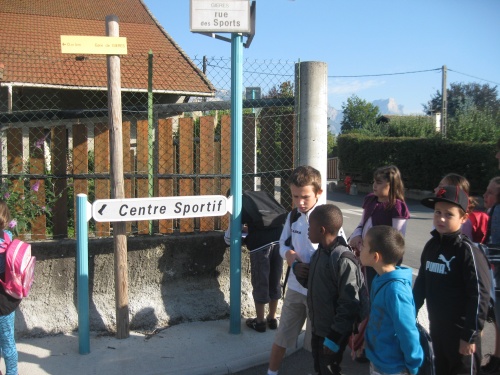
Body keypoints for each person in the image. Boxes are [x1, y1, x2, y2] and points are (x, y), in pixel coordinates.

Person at [414, 185, 491, 375]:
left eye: (449, 214)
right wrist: (409, 316)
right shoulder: (431, 246)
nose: (440, 218)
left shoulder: (467, 251)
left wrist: (470, 336)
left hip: (462, 337)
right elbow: (421, 286)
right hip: (438, 331)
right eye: (437, 212)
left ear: (463, 218)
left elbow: (480, 295)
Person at [266, 165, 324, 375]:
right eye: (295, 196)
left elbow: (339, 253)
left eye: (305, 197)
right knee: (282, 337)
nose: (300, 202)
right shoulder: (292, 216)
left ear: (319, 193)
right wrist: (289, 256)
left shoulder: (327, 218)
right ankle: (271, 372)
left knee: (316, 344)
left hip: (318, 293)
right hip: (295, 289)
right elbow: (282, 244)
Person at [306, 204, 363, 375]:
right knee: (320, 367)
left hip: (332, 333)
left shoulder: (342, 259)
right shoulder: (319, 253)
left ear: (322, 230)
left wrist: (334, 337)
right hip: (319, 328)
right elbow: (320, 287)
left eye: (310, 227)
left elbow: (350, 303)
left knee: (329, 369)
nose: (307, 230)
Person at [360, 225, 423, 375]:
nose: (359, 248)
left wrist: (413, 366)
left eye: (363, 245)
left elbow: (407, 331)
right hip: (378, 359)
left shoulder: (396, 291)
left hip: (392, 367)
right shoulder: (379, 278)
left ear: (375, 256)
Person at [224, 191, 284, 332]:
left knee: (260, 281)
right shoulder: (259, 197)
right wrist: (249, 228)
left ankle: (260, 321)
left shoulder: (236, 204)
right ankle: (272, 317)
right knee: (275, 280)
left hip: (261, 246)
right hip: (279, 240)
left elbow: (228, 238)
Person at [348, 165, 410, 290]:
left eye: (379, 182)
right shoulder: (371, 200)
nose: (374, 185)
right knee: (364, 287)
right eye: (374, 182)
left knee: (378, 288)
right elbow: (362, 223)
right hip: (365, 252)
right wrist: (357, 235)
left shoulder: (397, 206)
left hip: (381, 259)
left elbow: (396, 237)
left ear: (391, 185)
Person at [434, 173, 489, 243]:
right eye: (438, 212)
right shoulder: (432, 243)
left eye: (440, 187)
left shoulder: (463, 224)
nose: (435, 189)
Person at [481, 176, 500, 375]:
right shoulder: (493, 211)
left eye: (490, 193)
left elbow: (495, 249)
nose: (485, 195)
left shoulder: (497, 212)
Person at [0, 201, 20, 375]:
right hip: (8, 298)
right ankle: (12, 372)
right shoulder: (7, 237)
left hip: (3, 302)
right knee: (8, 341)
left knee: (6, 342)